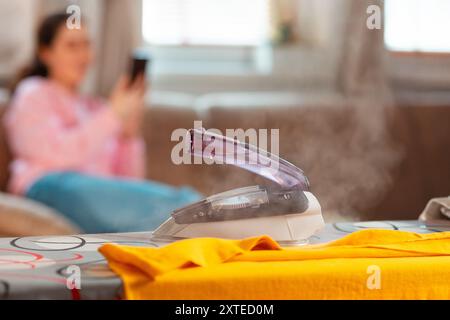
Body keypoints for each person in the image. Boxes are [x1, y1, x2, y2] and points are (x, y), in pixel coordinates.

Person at [4, 13, 202, 233]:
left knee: (148, 214)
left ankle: (198, 217)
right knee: (184, 207)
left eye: (87, 44)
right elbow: (55, 154)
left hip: (93, 196)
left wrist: (129, 134)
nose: (82, 55)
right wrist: (113, 114)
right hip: (48, 187)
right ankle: (201, 212)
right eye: (72, 46)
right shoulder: (32, 92)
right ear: (46, 53)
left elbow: (126, 183)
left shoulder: (95, 107)